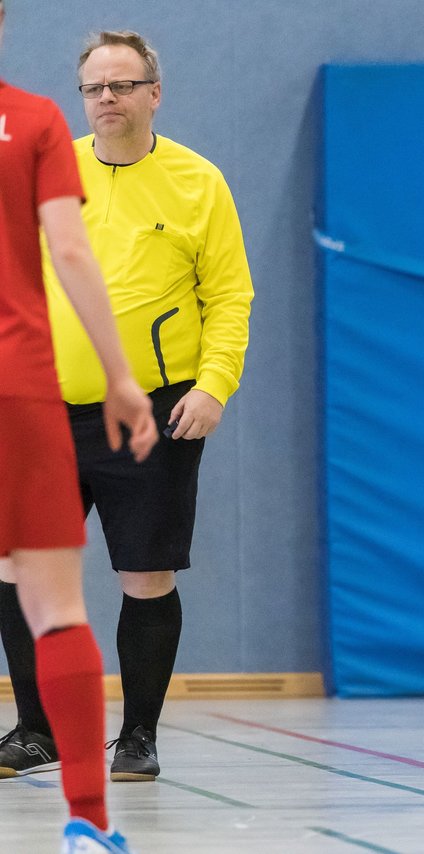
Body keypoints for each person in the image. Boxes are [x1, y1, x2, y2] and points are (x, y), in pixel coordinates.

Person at [0, 29, 253, 783]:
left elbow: (231, 297)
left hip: (153, 410)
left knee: (145, 576)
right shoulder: (49, 169)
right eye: (93, 88)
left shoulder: (198, 182)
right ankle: (36, 729)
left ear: (154, 92)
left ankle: (137, 736)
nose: (106, 99)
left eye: (121, 85)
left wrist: (214, 385)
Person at [0, 2, 156, 849]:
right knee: (57, 607)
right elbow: (69, 252)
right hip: (21, 386)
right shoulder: (34, 121)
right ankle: (87, 826)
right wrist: (124, 379)